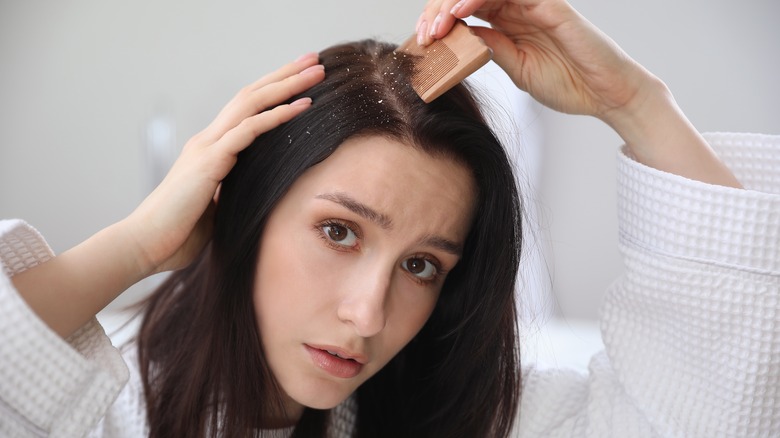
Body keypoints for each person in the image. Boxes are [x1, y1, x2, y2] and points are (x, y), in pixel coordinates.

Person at [1, 0, 777, 437]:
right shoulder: (101, 409)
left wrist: (634, 104)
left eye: (422, 266)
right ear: (246, 206)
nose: (368, 314)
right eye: (339, 231)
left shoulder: (470, 418)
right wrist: (137, 245)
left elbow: (704, 416)